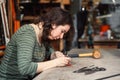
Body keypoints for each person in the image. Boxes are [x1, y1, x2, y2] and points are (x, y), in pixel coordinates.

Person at [0, 7, 74, 80]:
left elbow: (48, 53)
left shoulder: (44, 35)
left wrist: (54, 55)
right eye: (62, 31)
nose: (61, 36)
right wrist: (56, 62)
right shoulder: (27, 33)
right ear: (54, 24)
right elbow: (25, 68)